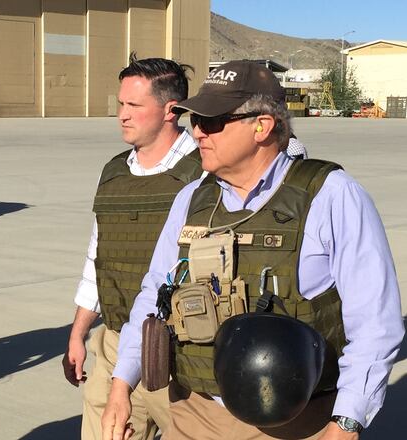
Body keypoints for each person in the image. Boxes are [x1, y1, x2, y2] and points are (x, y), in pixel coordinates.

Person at [102, 60, 403, 440]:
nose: (197, 133)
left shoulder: (330, 195)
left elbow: (376, 323)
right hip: (197, 415)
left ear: (261, 126)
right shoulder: (192, 198)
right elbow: (154, 293)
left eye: (211, 122)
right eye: (194, 121)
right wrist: (121, 384)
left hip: (298, 422)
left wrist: (345, 423)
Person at [61, 55, 202, 440]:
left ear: (171, 110)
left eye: (134, 106)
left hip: (185, 350)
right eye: (121, 104)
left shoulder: (205, 171)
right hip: (117, 340)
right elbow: (98, 257)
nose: (122, 115)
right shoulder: (114, 172)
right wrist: (78, 332)